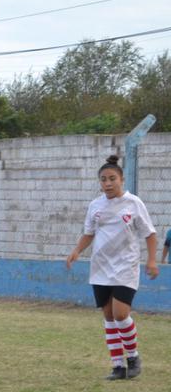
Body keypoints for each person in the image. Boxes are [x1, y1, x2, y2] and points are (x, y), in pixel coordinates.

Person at [66, 154, 158, 380]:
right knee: (108, 317)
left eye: (112, 179)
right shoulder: (95, 205)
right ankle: (117, 366)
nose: (107, 183)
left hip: (126, 267)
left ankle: (133, 356)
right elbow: (89, 233)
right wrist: (77, 251)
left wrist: (152, 260)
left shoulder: (134, 203)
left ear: (121, 180)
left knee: (120, 314)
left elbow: (150, 233)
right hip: (100, 268)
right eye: (103, 179)